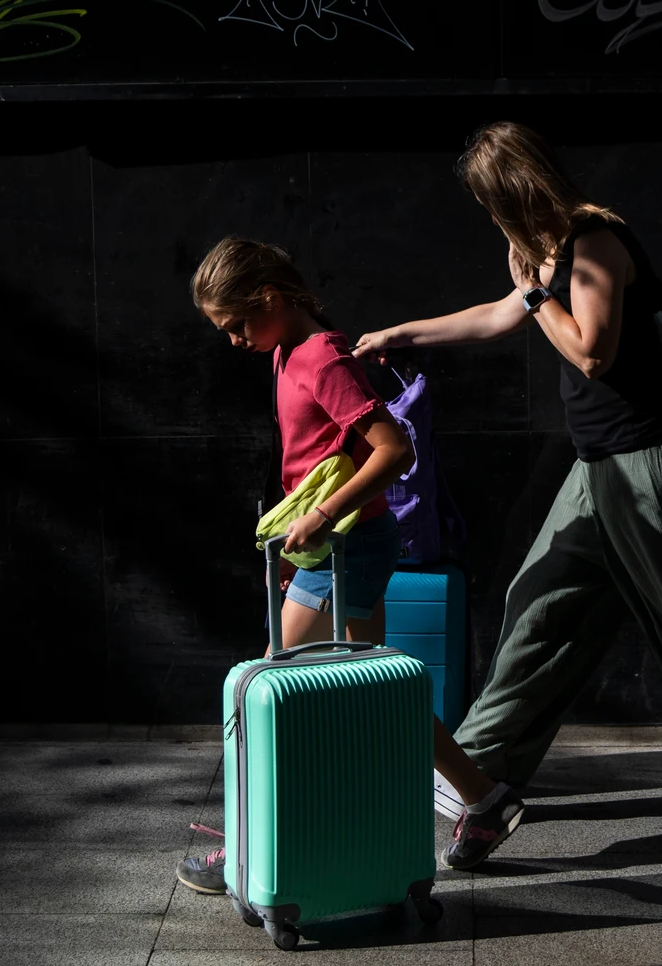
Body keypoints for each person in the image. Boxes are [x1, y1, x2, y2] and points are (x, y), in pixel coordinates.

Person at [353, 122, 662, 840]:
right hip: (596, 471)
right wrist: (401, 334)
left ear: (515, 192)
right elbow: (502, 313)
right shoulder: (549, 254)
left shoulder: (594, 244)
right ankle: (476, 768)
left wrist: (533, 299)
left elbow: (592, 350)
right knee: (539, 605)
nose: (490, 218)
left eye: (490, 203)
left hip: (647, 467)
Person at [175, 238, 527, 897]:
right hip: (337, 547)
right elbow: (317, 456)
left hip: (350, 547)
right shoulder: (288, 350)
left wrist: (318, 518)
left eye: (237, 325)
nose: (234, 341)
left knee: (257, 694)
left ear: (271, 298)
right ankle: (485, 798)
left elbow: (394, 451)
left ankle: (243, 849)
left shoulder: (318, 358)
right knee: (376, 690)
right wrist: (303, 532)